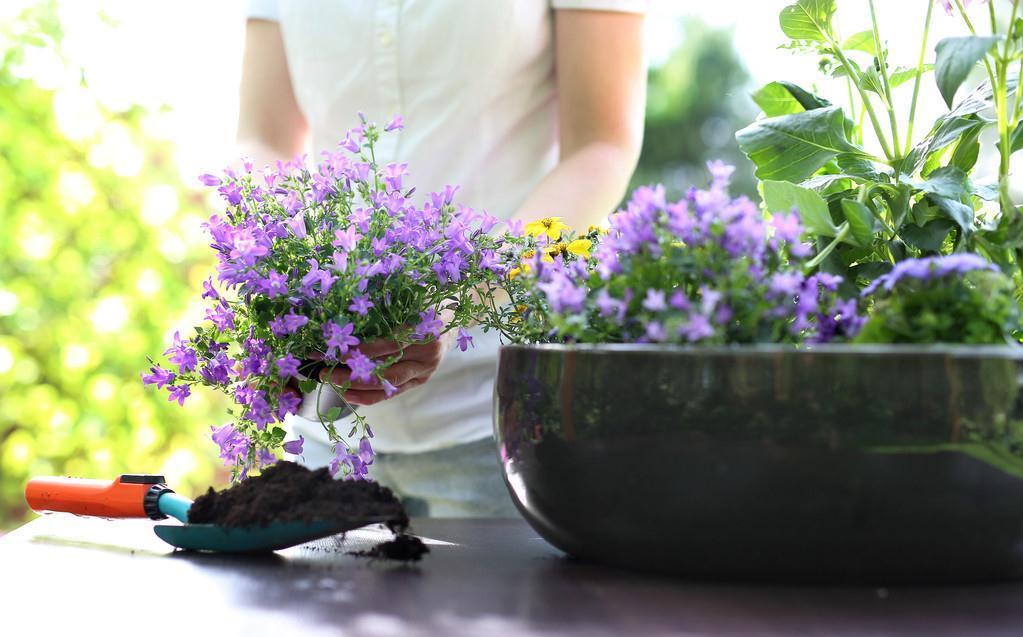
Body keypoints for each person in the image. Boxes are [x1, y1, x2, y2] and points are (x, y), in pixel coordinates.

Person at [239, 0, 647, 516]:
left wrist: (460, 296)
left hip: (501, 420)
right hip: (328, 424)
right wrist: (278, 273)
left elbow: (600, 147)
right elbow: (265, 138)